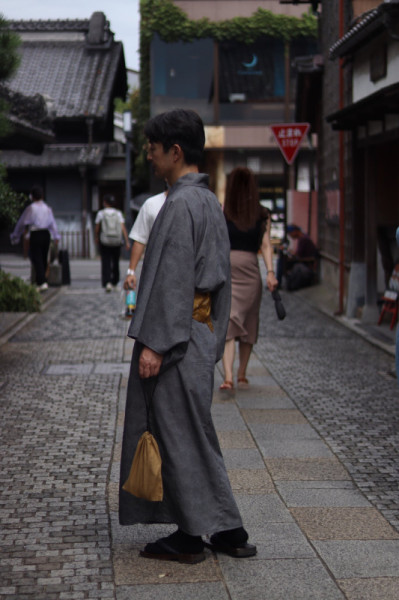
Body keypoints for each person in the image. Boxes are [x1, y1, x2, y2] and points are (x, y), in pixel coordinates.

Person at [119, 109, 257, 564]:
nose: (150, 157)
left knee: (178, 434)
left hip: (175, 338)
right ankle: (228, 528)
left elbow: (175, 281)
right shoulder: (206, 203)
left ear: (175, 152)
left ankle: (189, 534)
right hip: (197, 332)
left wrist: (156, 345)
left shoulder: (180, 205)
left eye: (154, 150)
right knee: (194, 433)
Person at [220, 167, 278, 391]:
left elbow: (266, 245)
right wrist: (270, 272)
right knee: (231, 320)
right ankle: (229, 376)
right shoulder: (231, 213)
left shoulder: (258, 214)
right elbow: (265, 245)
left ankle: (240, 373)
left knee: (248, 321)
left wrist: (271, 272)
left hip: (241, 271)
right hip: (238, 272)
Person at [10, 184, 60, 292]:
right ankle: (40, 282)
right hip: (46, 234)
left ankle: (41, 282)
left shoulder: (31, 208)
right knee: (43, 258)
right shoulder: (47, 208)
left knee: (36, 258)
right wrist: (56, 236)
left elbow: (22, 222)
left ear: (32, 196)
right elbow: (53, 224)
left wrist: (15, 235)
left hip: (36, 234)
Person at [123, 189, 167, 292]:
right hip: (156, 272)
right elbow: (139, 239)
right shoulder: (151, 204)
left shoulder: (195, 201)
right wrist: (131, 272)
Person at [95, 194, 130, 292]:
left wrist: (96, 237)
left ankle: (107, 282)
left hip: (105, 241)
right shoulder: (118, 213)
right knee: (115, 262)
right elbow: (123, 227)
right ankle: (115, 282)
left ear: (105, 203)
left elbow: (97, 227)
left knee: (106, 261)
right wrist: (127, 241)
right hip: (116, 241)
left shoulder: (101, 213)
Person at [277, 224, 319, 291]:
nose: (290, 236)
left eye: (290, 233)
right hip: (303, 260)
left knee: (282, 261)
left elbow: (298, 255)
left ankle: (279, 282)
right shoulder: (303, 238)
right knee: (282, 260)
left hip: (305, 262)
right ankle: (279, 281)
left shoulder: (303, 239)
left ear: (295, 231)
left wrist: (289, 252)